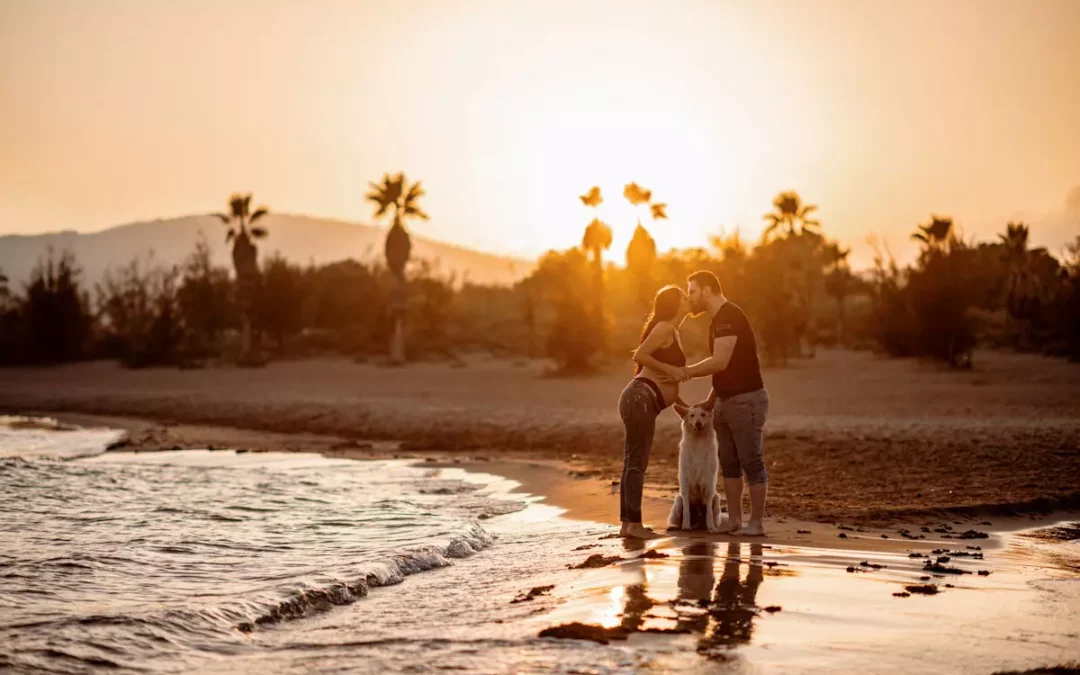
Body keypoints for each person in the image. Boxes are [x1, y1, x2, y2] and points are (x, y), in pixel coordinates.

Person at [683, 270, 771, 536]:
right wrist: (711, 400)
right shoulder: (717, 320)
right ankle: (734, 521)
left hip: (747, 401)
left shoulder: (728, 317)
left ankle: (755, 523)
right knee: (729, 462)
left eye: (692, 292)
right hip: (724, 402)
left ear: (707, 290)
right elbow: (725, 370)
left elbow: (719, 361)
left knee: (751, 461)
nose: (689, 299)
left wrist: (683, 372)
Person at [618, 285, 691, 539]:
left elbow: (666, 381)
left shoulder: (672, 330)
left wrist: (685, 406)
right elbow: (640, 355)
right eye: (684, 296)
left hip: (642, 399)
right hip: (640, 398)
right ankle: (634, 526)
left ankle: (627, 526)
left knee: (632, 463)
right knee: (636, 463)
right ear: (674, 303)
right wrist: (670, 371)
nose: (688, 298)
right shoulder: (664, 327)